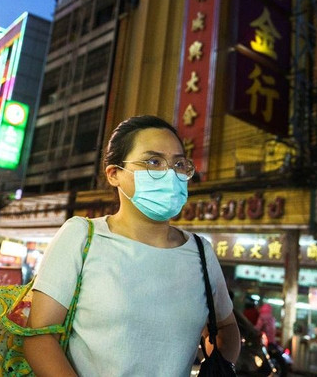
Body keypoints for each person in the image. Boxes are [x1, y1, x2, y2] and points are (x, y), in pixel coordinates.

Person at [23, 115, 240, 376]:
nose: (170, 173)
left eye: (179, 163)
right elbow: (39, 337)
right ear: (114, 174)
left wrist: (215, 365)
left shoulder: (201, 251)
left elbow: (226, 327)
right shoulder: (82, 236)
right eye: (153, 162)